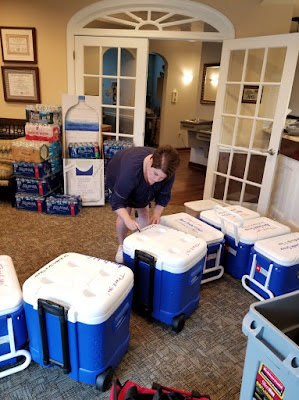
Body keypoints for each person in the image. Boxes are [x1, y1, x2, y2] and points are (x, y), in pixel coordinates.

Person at [106, 145, 180, 263]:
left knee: (144, 211)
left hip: (136, 174)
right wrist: (127, 220)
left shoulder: (168, 172)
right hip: (118, 171)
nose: (156, 180)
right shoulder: (130, 171)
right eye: (155, 174)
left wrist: (156, 214)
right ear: (150, 161)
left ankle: (144, 246)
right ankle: (121, 246)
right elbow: (117, 202)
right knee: (126, 210)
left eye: (162, 178)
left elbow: (163, 195)